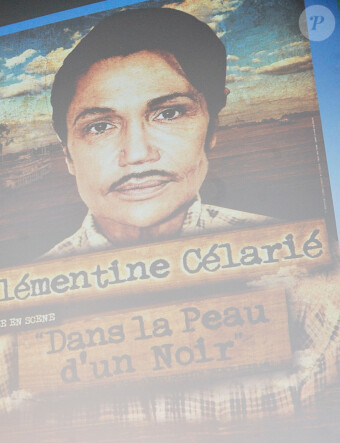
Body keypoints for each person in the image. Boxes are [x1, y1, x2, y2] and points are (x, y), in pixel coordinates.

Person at [43, 6, 271, 259]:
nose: (138, 154)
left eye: (169, 114)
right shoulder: (29, 286)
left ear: (212, 128)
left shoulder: (285, 242)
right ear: (68, 154)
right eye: (99, 127)